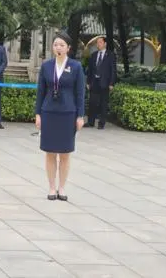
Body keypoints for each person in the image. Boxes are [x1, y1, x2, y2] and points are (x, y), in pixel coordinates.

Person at [35, 31, 85, 202]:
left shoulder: (76, 67)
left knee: (65, 153)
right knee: (50, 152)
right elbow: (41, 91)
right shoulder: (47, 66)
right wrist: (38, 113)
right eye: (56, 44)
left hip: (68, 113)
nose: (58, 47)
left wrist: (80, 116)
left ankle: (62, 187)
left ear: (68, 48)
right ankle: (51, 187)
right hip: (49, 112)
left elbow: (80, 93)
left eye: (62, 45)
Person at [84, 36, 116, 129]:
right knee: (92, 102)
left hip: (105, 83)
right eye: (97, 43)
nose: (98, 44)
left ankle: (101, 123)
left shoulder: (110, 55)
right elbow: (90, 70)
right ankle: (90, 122)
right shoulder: (94, 55)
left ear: (105, 44)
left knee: (103, 103)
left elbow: (113, 70)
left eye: (100, 42)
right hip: (94, 82)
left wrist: (111, 83)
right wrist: (88, 82)